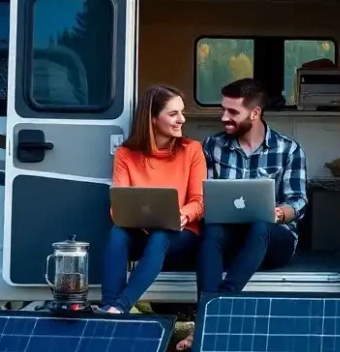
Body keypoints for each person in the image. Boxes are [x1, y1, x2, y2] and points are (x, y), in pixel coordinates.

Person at [99, 84, 205, 317]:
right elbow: (119, 206)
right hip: (140, 231)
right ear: (153, 119)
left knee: (161, 235)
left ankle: (120, 306)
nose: (182, 120)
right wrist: (134, 217)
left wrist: (182, 215)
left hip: (182, 233)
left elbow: (199, 201)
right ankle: (108, 307)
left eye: (182, 112)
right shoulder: (126, 154)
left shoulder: (192, 150)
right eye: (173, 114)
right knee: (118, 234)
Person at [196, 76, 308, 297]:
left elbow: (299, 201)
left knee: (261, 225)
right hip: (231, 239)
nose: (224, 117)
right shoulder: (213, 146)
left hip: (274, 243)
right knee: (211, 230)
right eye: (223, 110)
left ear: (255, 113)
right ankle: (209, 304)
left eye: (233, 112)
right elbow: (204, 194)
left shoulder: (289, 149)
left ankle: (222, 301)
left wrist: (279, 213)